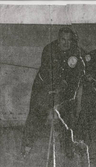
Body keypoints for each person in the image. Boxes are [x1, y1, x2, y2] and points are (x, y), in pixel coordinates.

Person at [21, 27, 86, 158]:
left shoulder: (75, 51)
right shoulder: (48, 49)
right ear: (58, 39)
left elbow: (78, 72)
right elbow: (48, 72)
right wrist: (56, 87)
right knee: (36, 114)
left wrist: (66, 85)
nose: (66, 43)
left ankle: (68, 147)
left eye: (69, 40)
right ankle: (27, 145)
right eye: (63, 39)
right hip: (44, 85)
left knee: (68, 115)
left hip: (64, 87)